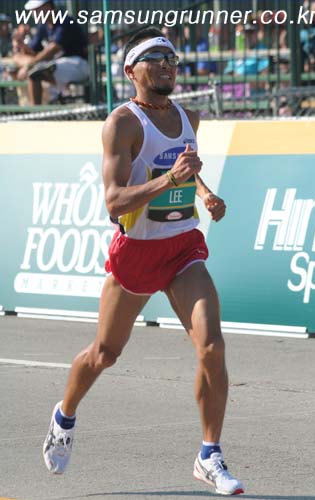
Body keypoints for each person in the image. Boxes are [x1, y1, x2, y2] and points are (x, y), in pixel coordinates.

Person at [43, 27, 245, 497]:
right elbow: (114, 202)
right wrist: (168, 179)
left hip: (182, 248)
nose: (168, 64)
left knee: (212, 347)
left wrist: (207, 194)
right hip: (136, 252)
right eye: (154, 57)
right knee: (104, 354)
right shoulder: (122, 123)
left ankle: (209, 454)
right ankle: (64, 416)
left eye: (172, 57)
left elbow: (186, 170)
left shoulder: (189, 116)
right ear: (131, 70)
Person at [14, 0, 89, 104]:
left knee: (35, 73)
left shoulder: (65, 21)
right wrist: (21, 45)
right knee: (26, 65)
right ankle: (38, 112)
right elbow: (32, 53)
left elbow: (52, 50)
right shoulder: (43, 26)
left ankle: (36, 115)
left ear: (48, 7)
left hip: (78, 65)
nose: (33, 14)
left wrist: (28, 66)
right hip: (54, 67)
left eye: (36, 10)